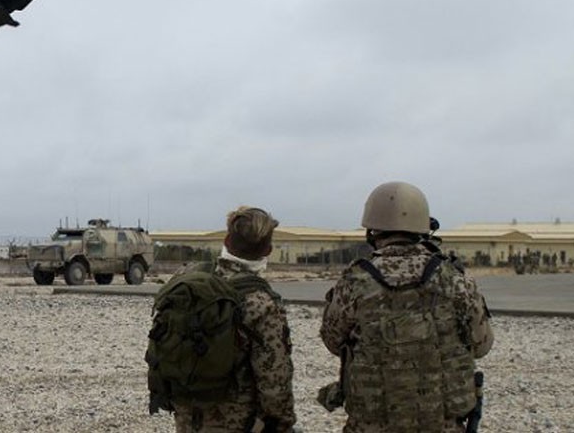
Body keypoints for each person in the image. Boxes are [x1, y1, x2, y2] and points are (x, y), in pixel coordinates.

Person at [320, 181, 494, 433]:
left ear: (372, 230)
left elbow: (332, 341)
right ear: (423, 226)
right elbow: (482, 346)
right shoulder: (455, 280)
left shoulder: (354, 281)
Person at [164, 206, 296, 432]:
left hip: (187, 416)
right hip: (235, 423)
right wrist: (282, 423)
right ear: (268, 250)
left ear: (226, 240)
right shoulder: (261, 304)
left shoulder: (185, 279)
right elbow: (274, 383)